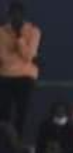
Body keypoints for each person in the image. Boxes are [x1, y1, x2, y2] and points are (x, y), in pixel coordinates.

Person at [0, 1, 41, 136]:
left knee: (21, 111)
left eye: (18, 14)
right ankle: (5, 139)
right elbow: (2, 56)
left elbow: (29, 55)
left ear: (23, 15)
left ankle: (17, 140)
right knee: (3, 112)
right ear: (9, 15)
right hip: (5, 74)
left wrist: (19, 37)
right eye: (12, 14)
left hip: (25, 75)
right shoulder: (1, 31)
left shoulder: (33, 31)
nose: (15, 17)